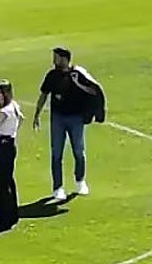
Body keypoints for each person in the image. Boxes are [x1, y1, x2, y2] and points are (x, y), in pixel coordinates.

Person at [32, 46, 106, 203]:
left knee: (79, 151)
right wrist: (37, 114)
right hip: (58, 118)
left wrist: (78, 83)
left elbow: (93, 91)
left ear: (64, 58)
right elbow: (44, 95)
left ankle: (80, 181)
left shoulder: (78, 74)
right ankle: (58, 188)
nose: (54, 60)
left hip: (76, 118)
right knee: (56, 154)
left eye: (56, 57)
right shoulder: (52, 75)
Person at [0, 79, 22, 229]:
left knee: (1, 183)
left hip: (3, 146)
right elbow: (21, 118)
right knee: (8, 180)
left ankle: (4, 218)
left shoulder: (4, 111)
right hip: (11, 144)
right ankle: (12, 213)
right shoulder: (14, 105)